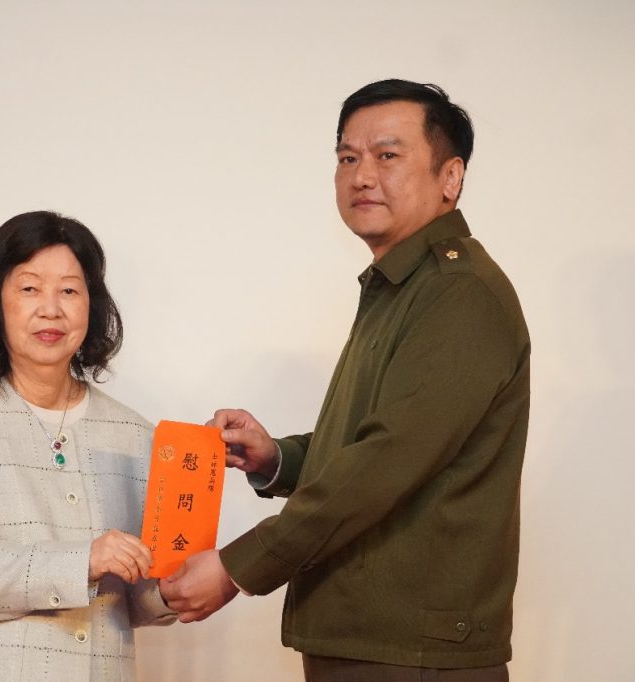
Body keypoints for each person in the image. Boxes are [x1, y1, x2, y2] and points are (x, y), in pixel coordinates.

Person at [160, 79, 530, 681]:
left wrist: (237, 568)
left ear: (450, 177)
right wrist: (277, 459)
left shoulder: (459, 293)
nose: (362, 176)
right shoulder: (401, 287)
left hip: (413, 653)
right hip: (373, 640)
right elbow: (379, 445)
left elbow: (386, 462)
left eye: (388, 155)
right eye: (348, 158)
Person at [0, 211, 175, 681]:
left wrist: (175, 587)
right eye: (29, 288)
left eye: (69, 290)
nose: (51, 309)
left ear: (92, 306)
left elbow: (132, 595)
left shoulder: (135, 434)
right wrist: (82, 561)